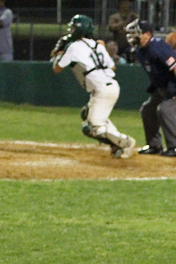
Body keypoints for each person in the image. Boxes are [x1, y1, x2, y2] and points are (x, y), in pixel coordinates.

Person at [51, 15, 135, 159]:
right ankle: (116, 143)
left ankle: (125, 142)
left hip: (102, 90)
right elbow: (112, 67)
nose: (71, 30)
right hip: (110, 86)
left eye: (74, 27)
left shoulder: (74, 46)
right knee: (87, 115)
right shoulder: (97, 45)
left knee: (92, 128)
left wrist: (59, 52)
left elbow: (57, 68)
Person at [125, 20, 176, 158]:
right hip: (163, 85)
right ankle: (154, 145)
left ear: (148, 34)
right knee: (148, 109)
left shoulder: (158, 47)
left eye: (137, 32)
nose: (133, 36)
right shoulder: (140, 49)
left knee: (165, 110)